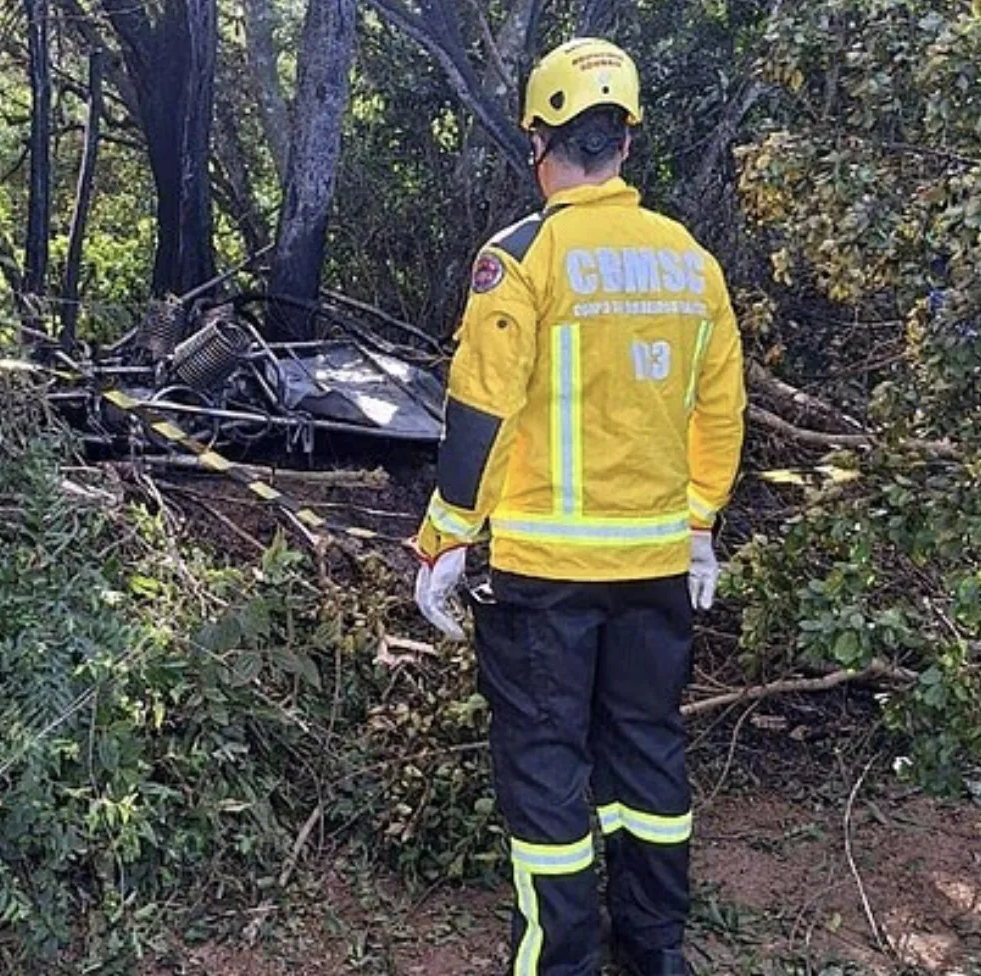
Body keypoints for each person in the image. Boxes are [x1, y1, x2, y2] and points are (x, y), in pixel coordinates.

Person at [411, 38, 746, 976]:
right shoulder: (692, 265)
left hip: (546, 581)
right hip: (654, 574)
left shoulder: (521, 259)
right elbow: (720, 410)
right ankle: (655, 953)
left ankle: (560, 962)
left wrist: (444, 539)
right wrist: (699, 527)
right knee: (646, 755)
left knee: (548, 769)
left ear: (538, 141)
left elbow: (482, 410)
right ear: (627, 142)